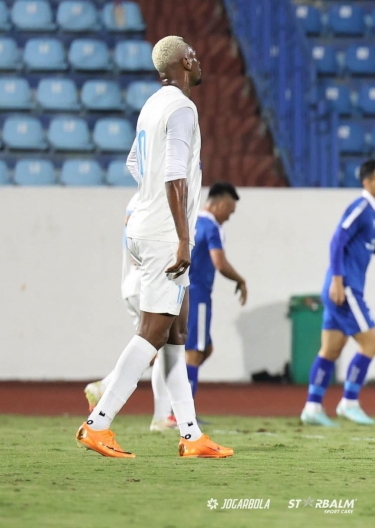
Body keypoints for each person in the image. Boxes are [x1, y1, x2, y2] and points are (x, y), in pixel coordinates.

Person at [76, 35, 232, 458]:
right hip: (166, 232)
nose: (200, 62)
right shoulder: (182, 107)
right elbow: (175, 175)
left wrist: (149, 202)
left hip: (145, 224)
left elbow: (135, 163)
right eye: (195, 56)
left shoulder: (151, 105)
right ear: (184, 60)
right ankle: (98, 424)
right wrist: (182, 235)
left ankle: (191, 434)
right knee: (153, 332)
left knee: (177, 333)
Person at [300, 159, 375, 426]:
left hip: (340, 289)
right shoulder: (361, 207)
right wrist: (337, 279)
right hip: (345, 290)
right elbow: (337, 239)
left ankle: (312, 407)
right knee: (371, 343)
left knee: (330, 350)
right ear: (367, 182)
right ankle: (349, 402)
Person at [83, 192, 177, 433]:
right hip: (149, 282)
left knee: (150, 348)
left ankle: (103, 387)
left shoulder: (137, 199)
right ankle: (160, 417)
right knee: (163, 348)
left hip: (132, 283)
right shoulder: (161, 196)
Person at [185, 182, 247, 408]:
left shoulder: (190, 221)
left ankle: (175, 395)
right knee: (195, 351)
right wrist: (240, 279)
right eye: (230, 211)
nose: (229, 217)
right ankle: (182, 413)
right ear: (221, 204)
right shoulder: (212, 228)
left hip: (182, 292)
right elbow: (219, 263)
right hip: (198, 293)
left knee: (204, 348)